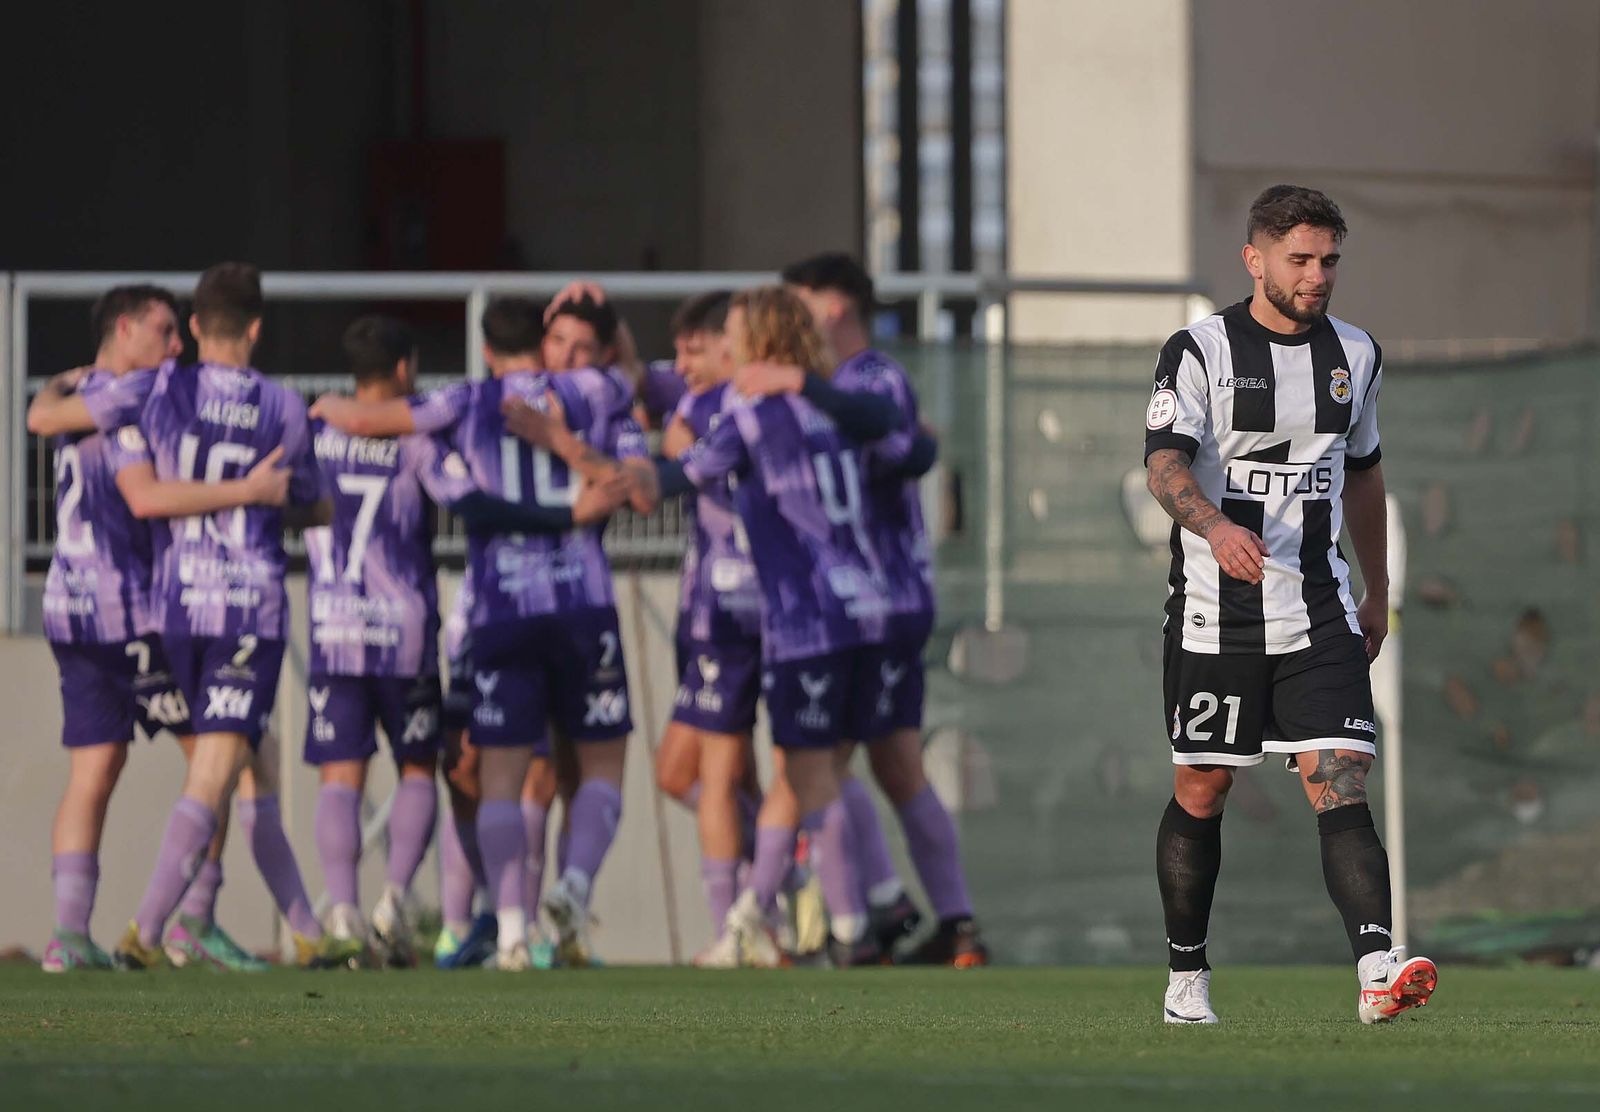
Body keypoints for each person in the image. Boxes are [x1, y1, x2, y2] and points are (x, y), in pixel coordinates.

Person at [1142, 185, 1437, 1024]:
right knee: (1202, 790)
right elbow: (1164, 467)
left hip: (1319, 610)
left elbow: (1366, 471)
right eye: (1300, 259)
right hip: (1215, 611)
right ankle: (1187, 980)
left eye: (1330, 260)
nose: (1317, 276)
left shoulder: (1355, 355)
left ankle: (1379, 970)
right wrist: (1213, 526)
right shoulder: (1197, 351)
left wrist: (1379, 589)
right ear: (1256, 259)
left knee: (1340, 782)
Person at [313, 297, 635, 969]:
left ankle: (510, 932)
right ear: (545, 345)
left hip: (497, 608)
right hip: (583, 603)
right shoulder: (597, 388)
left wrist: (323, 407)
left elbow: (376, 419)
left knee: (499, 778)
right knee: (600, 765)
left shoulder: (464, 399)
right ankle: (572, 890)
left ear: (485, 349)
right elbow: (637, 465)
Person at [97, 262, 354, 970]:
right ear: (257, 328)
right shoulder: (282, 406)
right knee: (216, 766)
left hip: (177, 604)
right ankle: (146, 932)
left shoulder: (157, 392)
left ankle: (304, 930)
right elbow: (317, 503)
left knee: (254, 765)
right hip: (247, 605)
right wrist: (273, 497)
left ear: (193, 328)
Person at [27, 285, 278, 972]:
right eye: (165, 330)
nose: (175, 347)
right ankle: (191, 919)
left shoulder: (85, 391)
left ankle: (68, 937)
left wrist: (61, 382)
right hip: (132, 611)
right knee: (223, 757)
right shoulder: (136, 393)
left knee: (95, 767)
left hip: (68, 607)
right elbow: (144, 496)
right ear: (127, 326)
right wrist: (248, 493)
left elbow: (39, 415)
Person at [642, 286, 890, 967]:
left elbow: (679, 475)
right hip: (864, 607)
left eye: (734, 332)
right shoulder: (834, 405)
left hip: (803, 619)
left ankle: (848, 928)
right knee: (813, 773)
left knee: (809, 774)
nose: (727, 343)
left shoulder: (755, 415)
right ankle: (780, 912)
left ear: (758, 340)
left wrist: (611, 475)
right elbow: (899, 436)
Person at [751, 253, 987, 967]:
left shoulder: (869, 376)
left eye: (799, 305)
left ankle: (803, 924)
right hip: (856, 609)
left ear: (831, 309)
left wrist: (797, 384)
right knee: (884, 767)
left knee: (818, 767)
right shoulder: (821, 389)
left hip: (878, 605)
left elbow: (907, 446)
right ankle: (931, 919)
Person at [302, 315, 481, 965]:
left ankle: (343, 910)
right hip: (402, 630)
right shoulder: (414, 438)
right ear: (404, 369)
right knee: (415, 767)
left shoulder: (316, 432)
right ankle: (395, 900)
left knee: (340, 774)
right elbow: (466, 497)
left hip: (334, 627)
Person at [651, 291, 768, 949]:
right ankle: (770, 876)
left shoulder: (739, 408)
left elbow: (672, 453)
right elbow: (659, 394)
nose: (684, 363)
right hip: (709, 611)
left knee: (709, 774)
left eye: (698, 347)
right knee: (711, 776)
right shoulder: (712, 402)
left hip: (737, 611)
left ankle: (737, 924)